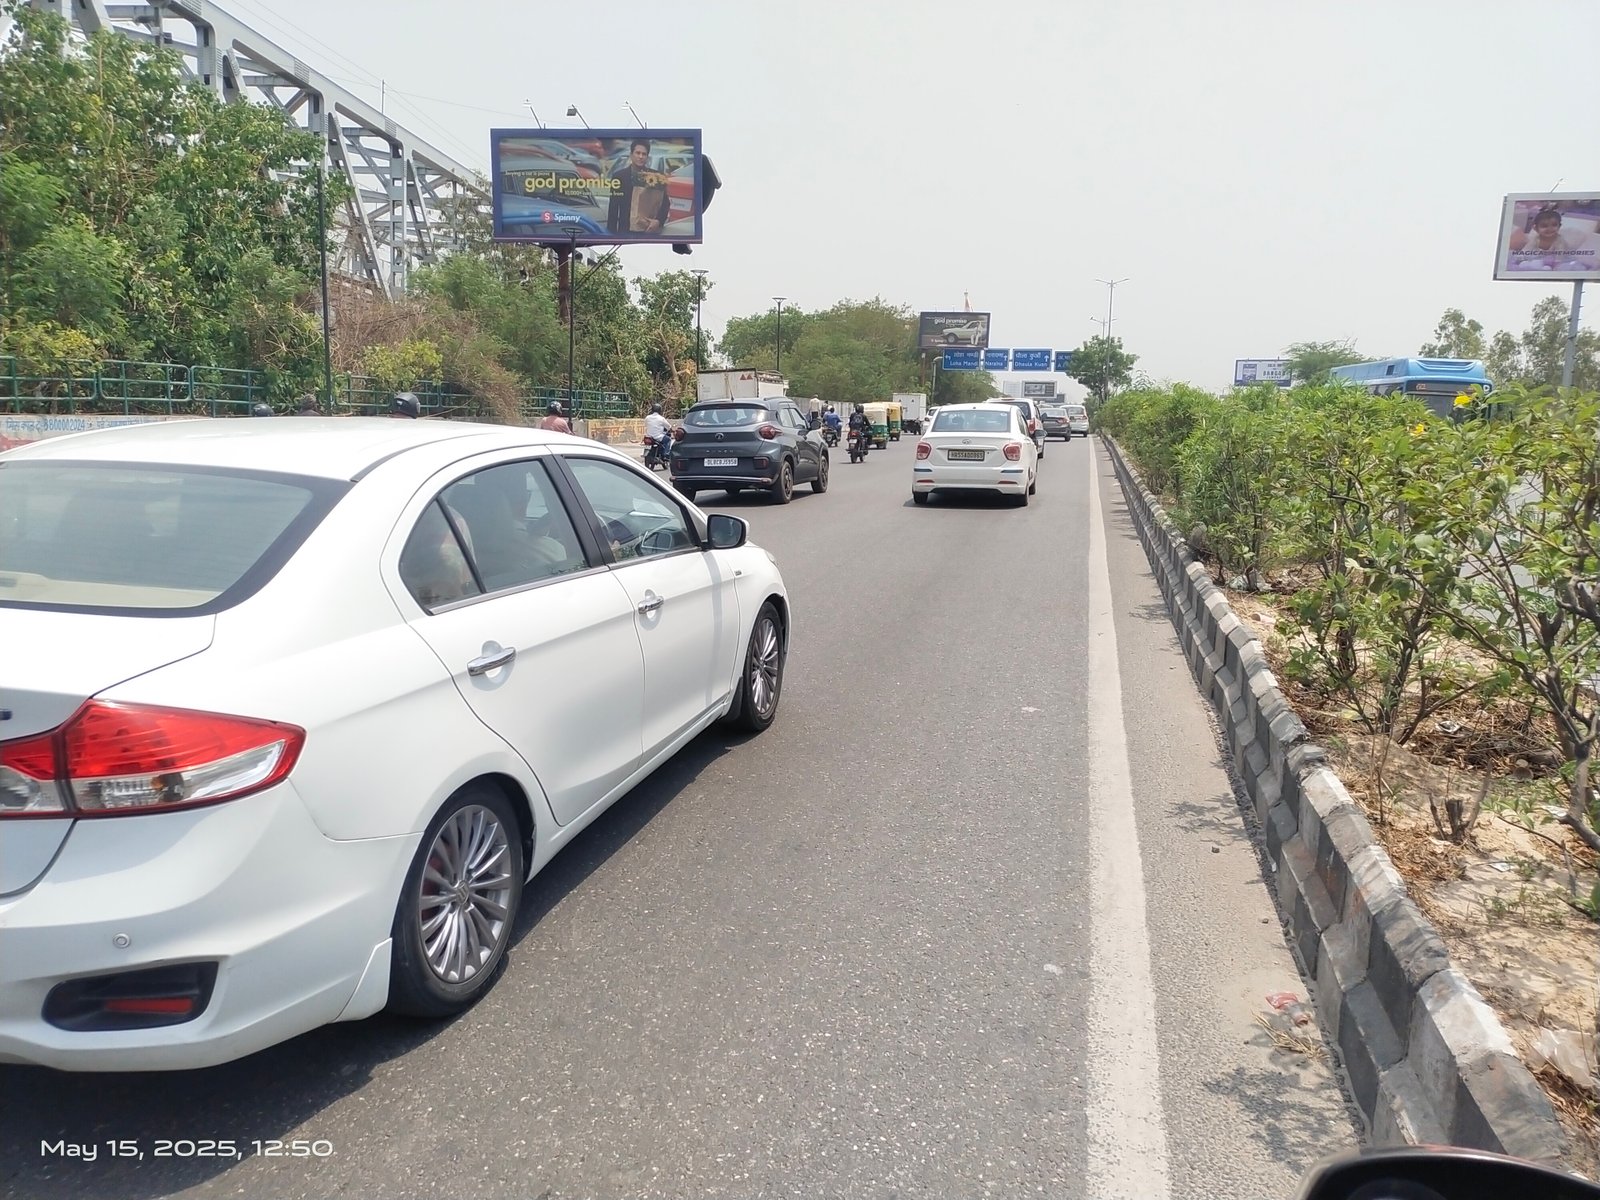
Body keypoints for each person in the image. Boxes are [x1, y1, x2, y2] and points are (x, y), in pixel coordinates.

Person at [605, 138, 670, 236]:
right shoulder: (619, 176)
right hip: (625, 231)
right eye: (637, 153)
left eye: (644, 154)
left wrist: (658, 221)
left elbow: (665, 203)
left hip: (648, 230)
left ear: (647, 157)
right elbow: (613, 208)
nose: (640, 156)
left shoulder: (656, 176)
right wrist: (611, 236)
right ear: (631, 155)